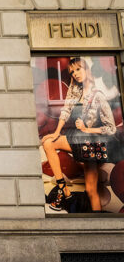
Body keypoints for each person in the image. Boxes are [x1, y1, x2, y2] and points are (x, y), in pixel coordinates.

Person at [41, 57, 118, 212]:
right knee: (48, 143)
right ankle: (65, 190)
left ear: (86, 69)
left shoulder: (98, 95)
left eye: (78, 69)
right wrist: (56, 132)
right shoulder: (75, 89)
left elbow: (111, 128)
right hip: (75, 138)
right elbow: (66, 110)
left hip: (90, 144)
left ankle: (99, 227)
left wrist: (88, 129)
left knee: (91, 190)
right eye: (72, 72)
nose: (75, 74)